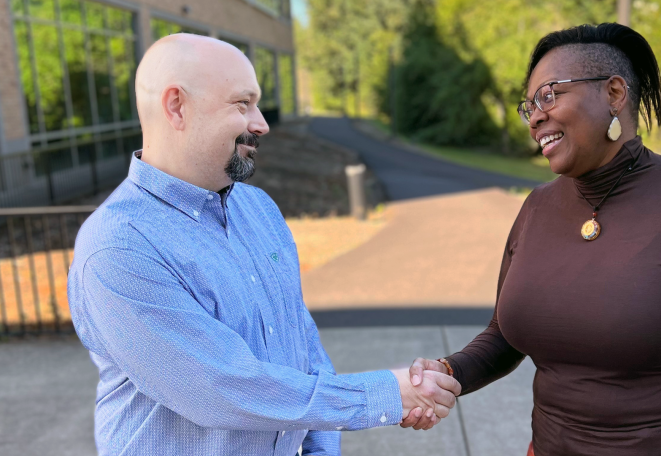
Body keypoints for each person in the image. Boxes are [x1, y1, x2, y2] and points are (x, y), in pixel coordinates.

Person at [67, 34, 459, 456]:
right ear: (176, 106)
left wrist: (321, 450)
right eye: (242, 104)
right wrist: (386, 395)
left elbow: (302, 348)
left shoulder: (259, 209)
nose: (261, 123)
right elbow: (221, 388)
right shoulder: (119, 246)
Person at [404, 23, 661, 456]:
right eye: (529, 105)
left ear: (614, 94)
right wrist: (445, 372)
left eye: (549, 95)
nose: (536, 116)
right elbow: (504, 335)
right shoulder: (536, 207)